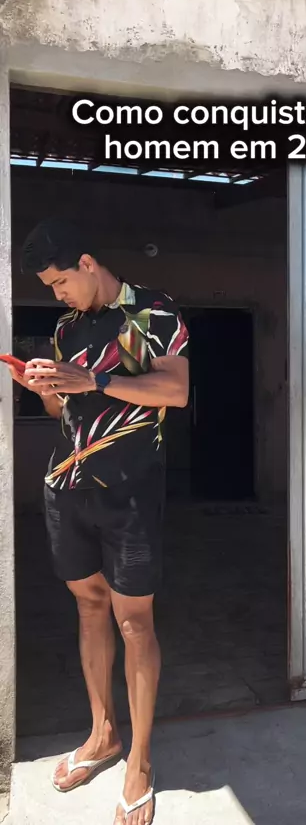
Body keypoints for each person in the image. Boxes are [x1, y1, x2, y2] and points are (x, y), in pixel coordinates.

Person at [9, 217, 189, 825]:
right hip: (67, 485)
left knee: (134, 622)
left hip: (130, 489)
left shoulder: (154, 313)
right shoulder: (66, 328)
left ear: (87, 263)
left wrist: (97, 378)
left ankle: (140, 760)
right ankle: (103, 733)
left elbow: (175, 391)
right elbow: (65, 408)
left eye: (60, 282)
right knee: (89, 607)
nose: (58, 294)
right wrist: (41, 386)